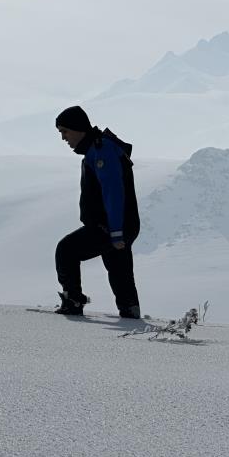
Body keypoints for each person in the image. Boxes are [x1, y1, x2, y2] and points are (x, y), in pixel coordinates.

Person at [54, 106, 142, 318]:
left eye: (65, 131)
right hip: (118, 225)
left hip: (111, 226)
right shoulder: (100, 149)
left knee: (66, 250)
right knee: (119, 270)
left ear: (78, 128)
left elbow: (113, 191)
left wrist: (116, 231)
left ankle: (73, 301)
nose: (64, 138)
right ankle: (130, 312)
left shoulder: (101, 151)